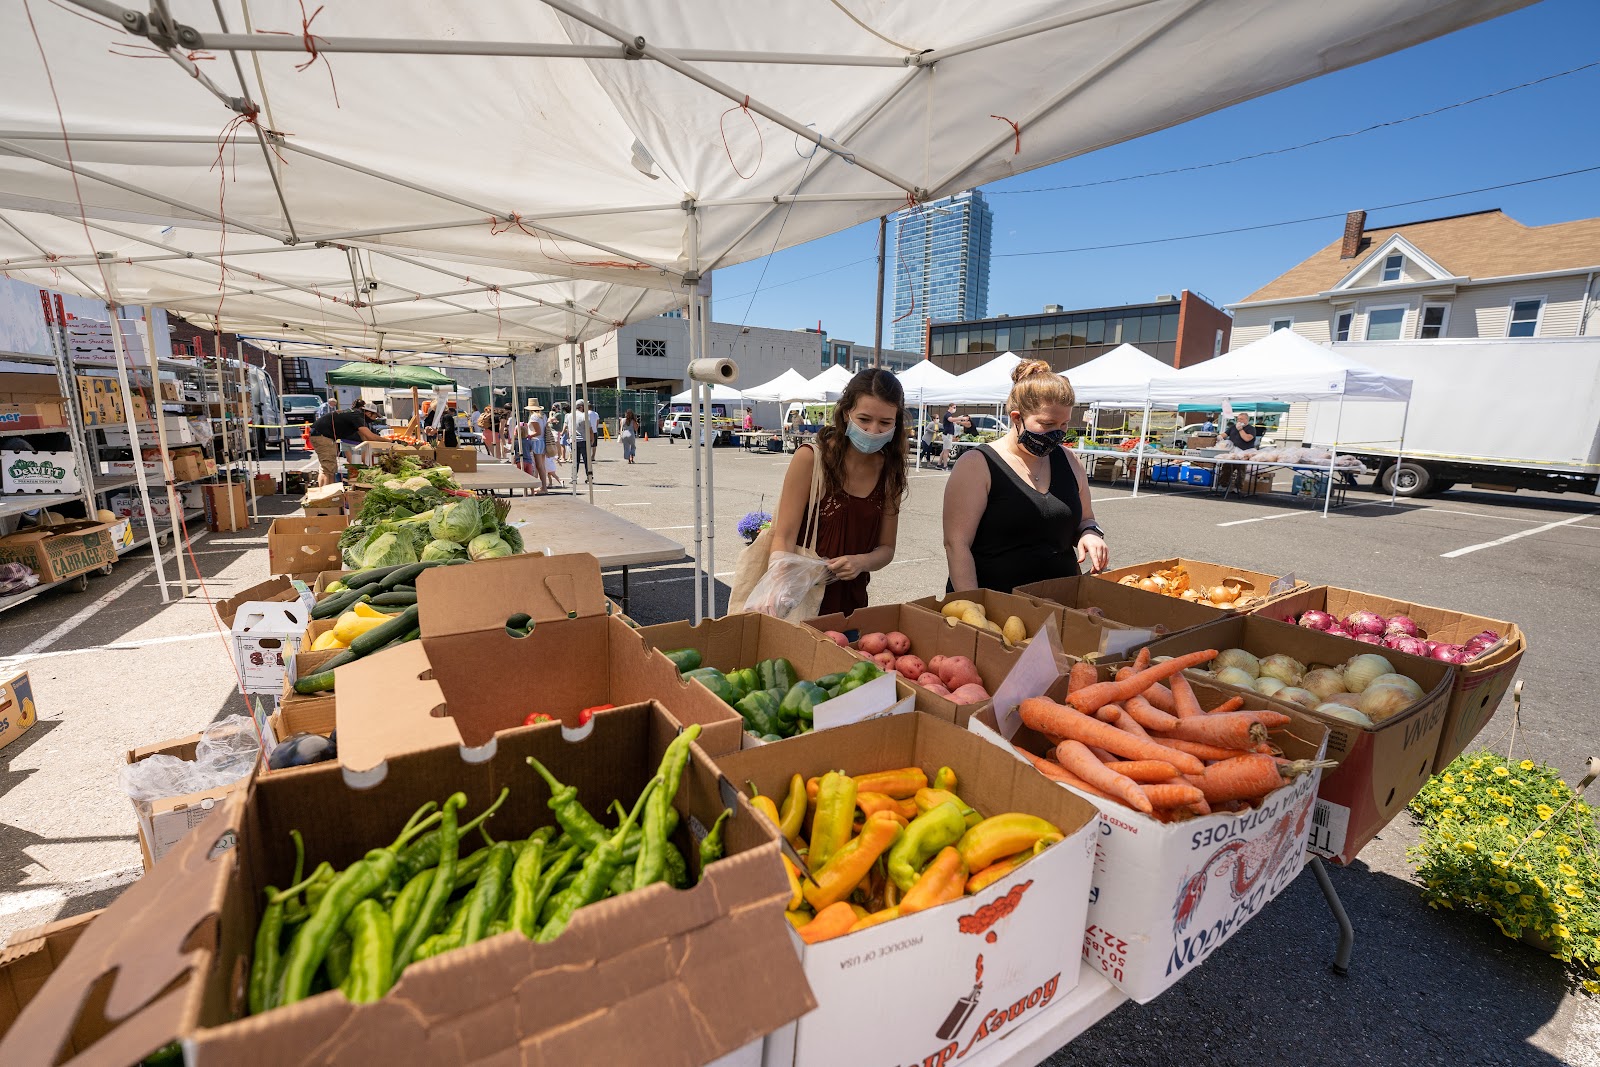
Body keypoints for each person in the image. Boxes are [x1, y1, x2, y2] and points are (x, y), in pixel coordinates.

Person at [942, 360, 1108, 593]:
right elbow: (957, 545)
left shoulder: (1070, 461)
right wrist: (973, 606)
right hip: (997, 604)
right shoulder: (977, 465)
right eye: (1047, 423)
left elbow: (1086, 518)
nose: (1057, 433)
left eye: (1064, 424)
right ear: (1016, 418)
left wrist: (1090, 533)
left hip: (1062, 600)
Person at [769, 368, 907, 616]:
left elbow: (887, 548)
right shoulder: (811, 459)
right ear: (846, 413)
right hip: (799, 602)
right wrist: (776, 588)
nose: (873, 430)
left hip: (851, 606)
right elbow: (784, 536)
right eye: (864, 419)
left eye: (885, 423)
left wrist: (861, 562)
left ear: (896, 423)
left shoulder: (890, 473)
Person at [308, 400, 385, 486]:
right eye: (375, 416)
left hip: (323, 435)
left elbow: (364, 437)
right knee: (327, 468)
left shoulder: (354, 414)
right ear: (369, 413)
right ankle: (325, 492)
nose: (375, 419)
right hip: (323, 436)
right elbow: (370, 436)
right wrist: (389, 441)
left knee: (330, 468)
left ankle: (330, 490)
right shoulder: (357, 416)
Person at [522, 399, 550, 494]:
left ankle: (543, 488)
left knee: (538, 466)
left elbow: (537, 432)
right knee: (541, 466)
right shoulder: (543, 416)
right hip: (542, 441)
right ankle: (542, 486)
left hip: (536, 441)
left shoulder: (534, 417)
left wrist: (528, 435)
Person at [573, 399, 593, 479]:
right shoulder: (584, 416)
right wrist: (592, 438)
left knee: (575, 460)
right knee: (587, 460)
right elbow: (589, 429)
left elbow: (567, 428)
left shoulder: (570, 415)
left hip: (573, 440)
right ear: (581, 407)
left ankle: (574, 476)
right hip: (583, 439)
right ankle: (589, 476)